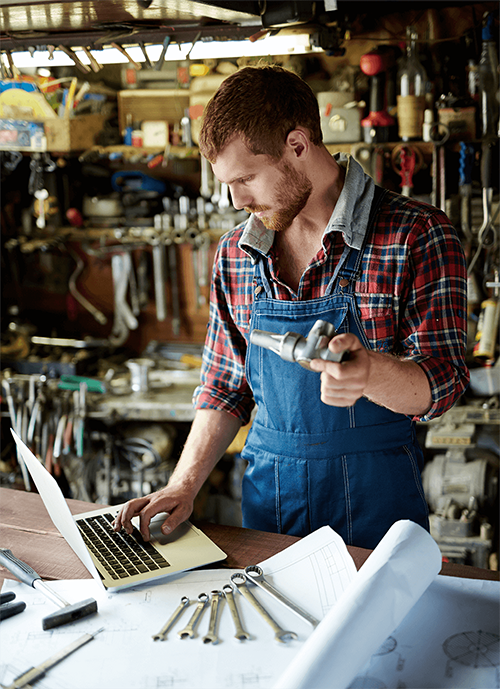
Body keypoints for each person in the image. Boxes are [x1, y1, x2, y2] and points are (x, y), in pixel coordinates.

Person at [114, 64, 469, 550]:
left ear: (298, 145)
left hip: (378, 520)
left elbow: (443, 385)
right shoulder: (236, 254)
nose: (236, 199)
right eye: (227, 183)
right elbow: (224, 387)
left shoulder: (416, 234)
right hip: (270, 511)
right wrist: (184, 483)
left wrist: (369, 374)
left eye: (247, 178)